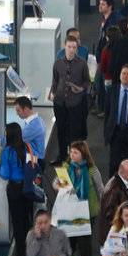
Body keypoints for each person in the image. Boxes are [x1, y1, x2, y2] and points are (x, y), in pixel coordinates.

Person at [0, 122, 36, 256]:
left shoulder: (8, 151)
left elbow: (5, 174)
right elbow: (33, 165)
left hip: (15, 189)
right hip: (28, 188)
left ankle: (20, 254)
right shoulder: (27, 146)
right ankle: (32, 250)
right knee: (28, 220)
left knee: (18, 222)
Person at [49, 38, 89, 166]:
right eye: (69, 47)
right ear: (64, 47)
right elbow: (55, 80)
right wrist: (52, 93)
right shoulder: (58, 63)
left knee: (74, 132)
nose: (71, 50)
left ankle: (73, 159)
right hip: (60, 102)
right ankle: (62, 156)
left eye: (74, 47)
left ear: (77, 48)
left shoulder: (82, 63)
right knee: (61, 130)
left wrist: (80, 88)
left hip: (75, 103)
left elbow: (87, 81)